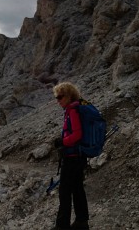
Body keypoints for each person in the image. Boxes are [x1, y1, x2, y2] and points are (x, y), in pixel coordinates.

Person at [51, 82, 89, 229]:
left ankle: (62, 225)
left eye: (60, 97)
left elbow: (77, 134)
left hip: (72, 158)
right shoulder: (76, 109)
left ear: (69, 96)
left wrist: (63, 141)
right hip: (79, 157)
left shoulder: (73, 111)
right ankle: (82, 222)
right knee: (77, 188)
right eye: (56, 97)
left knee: (65, 192)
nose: (58, 100)